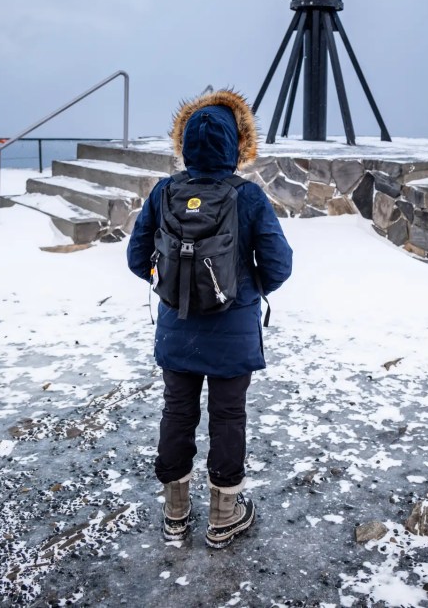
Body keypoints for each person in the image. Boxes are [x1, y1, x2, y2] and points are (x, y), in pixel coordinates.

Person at [127, 89, 293, 547]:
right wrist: (245, 288)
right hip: (233, 332)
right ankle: (223, 516)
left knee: (177, 412)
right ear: (238, 145)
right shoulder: (249, 196)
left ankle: (175, 514)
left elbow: (137, 257)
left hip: (176, 328)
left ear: (184, 144)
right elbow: (279, 265)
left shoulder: (165, 191)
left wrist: (170, 284)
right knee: (228, 416)